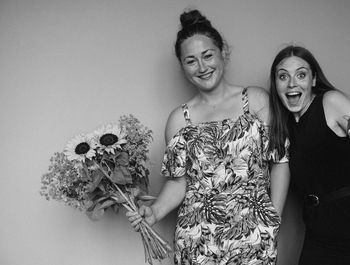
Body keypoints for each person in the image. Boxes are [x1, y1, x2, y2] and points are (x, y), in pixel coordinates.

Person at [127, 9, 290, 264]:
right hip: (196, 242)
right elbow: (179, 183)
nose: (202, 67)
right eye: (191, 61)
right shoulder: (180, 119)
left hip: (254, 237)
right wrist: (154, 211)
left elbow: (280, 162)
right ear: (182, 66)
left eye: (207, 55)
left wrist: (273, 220)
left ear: (223, 52)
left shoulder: (256, 101)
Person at [268, 45, 350, 265]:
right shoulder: (282, 128)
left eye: (301, 75)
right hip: (318, 233)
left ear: (313, 80)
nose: (292, 83)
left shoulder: (330, 102)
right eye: (283, 76)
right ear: (275, 84)